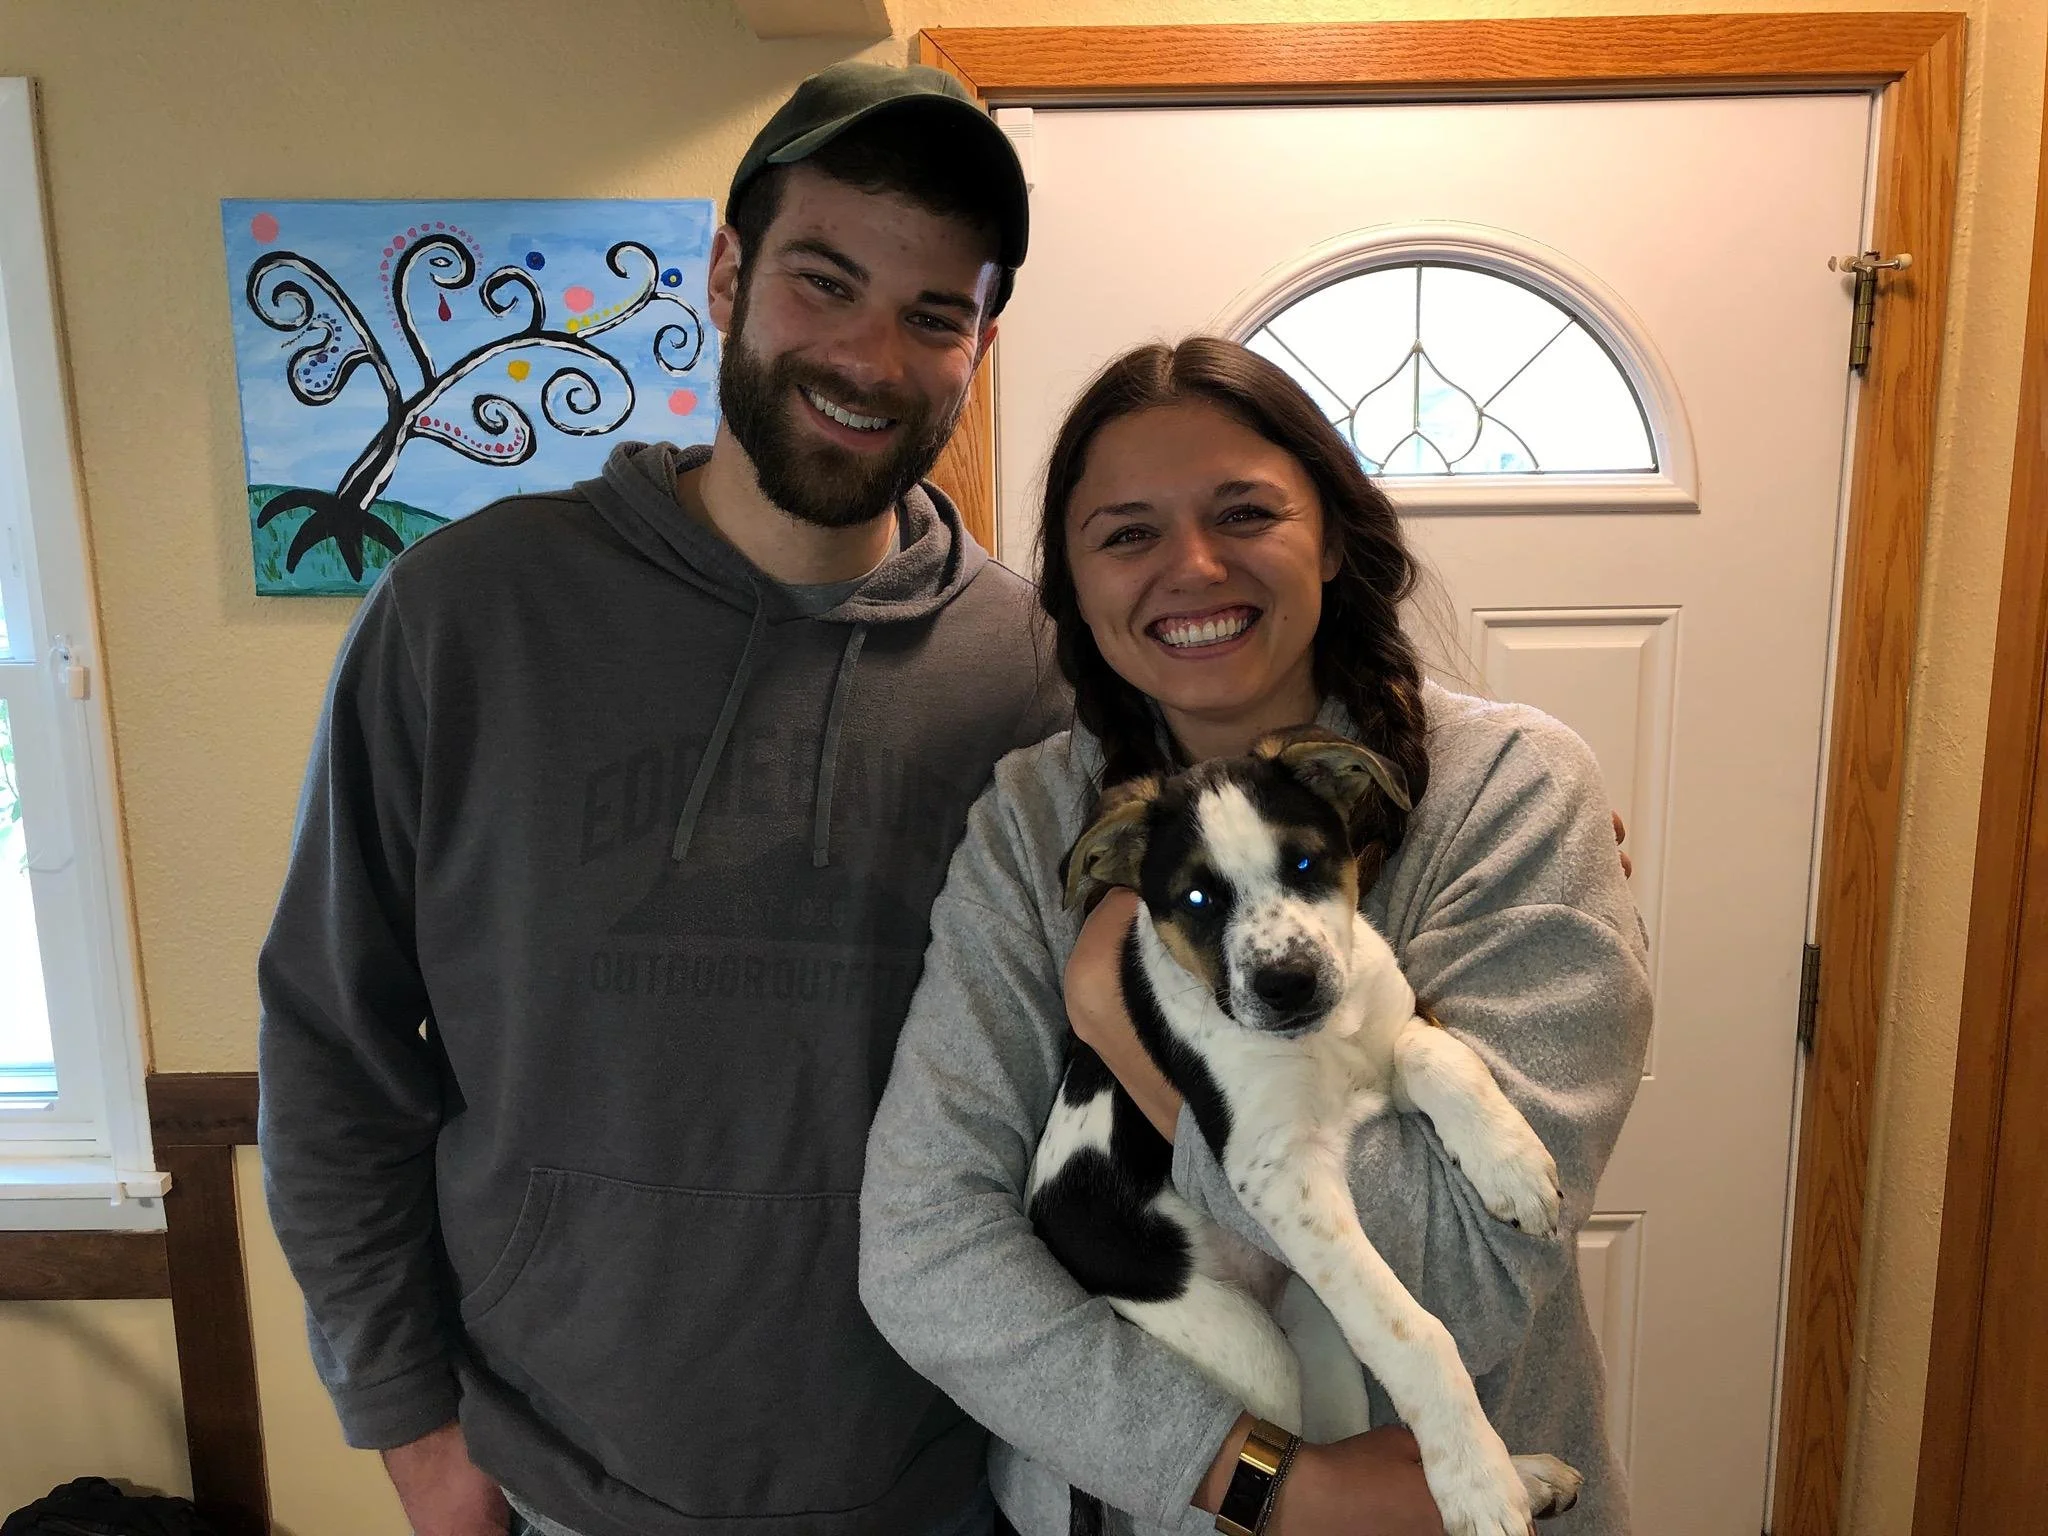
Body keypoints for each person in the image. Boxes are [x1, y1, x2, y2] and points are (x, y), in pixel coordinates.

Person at [258, 62, 1063, 1536]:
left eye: (934, 316)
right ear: (727, 273)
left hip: (952, 1484)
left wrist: (1464, 792)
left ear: (980, 344)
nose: (874, 358)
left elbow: (1239, 819)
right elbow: (332, 1048)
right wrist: (412, 1434)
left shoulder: (1033, 675)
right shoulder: (467, 617)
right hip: (557, 1481)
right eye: (826, 283)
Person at [859, 337, 1652, 1535]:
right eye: (1124, 533)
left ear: (1330, 537)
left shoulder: (1504, 792)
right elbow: (922, 1246)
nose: (1191, 566)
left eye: (1244, 512)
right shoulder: (1036, 819)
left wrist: (1127, 1026)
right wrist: (1261, 1483)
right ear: (1070, 588)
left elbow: (1472, 1274)